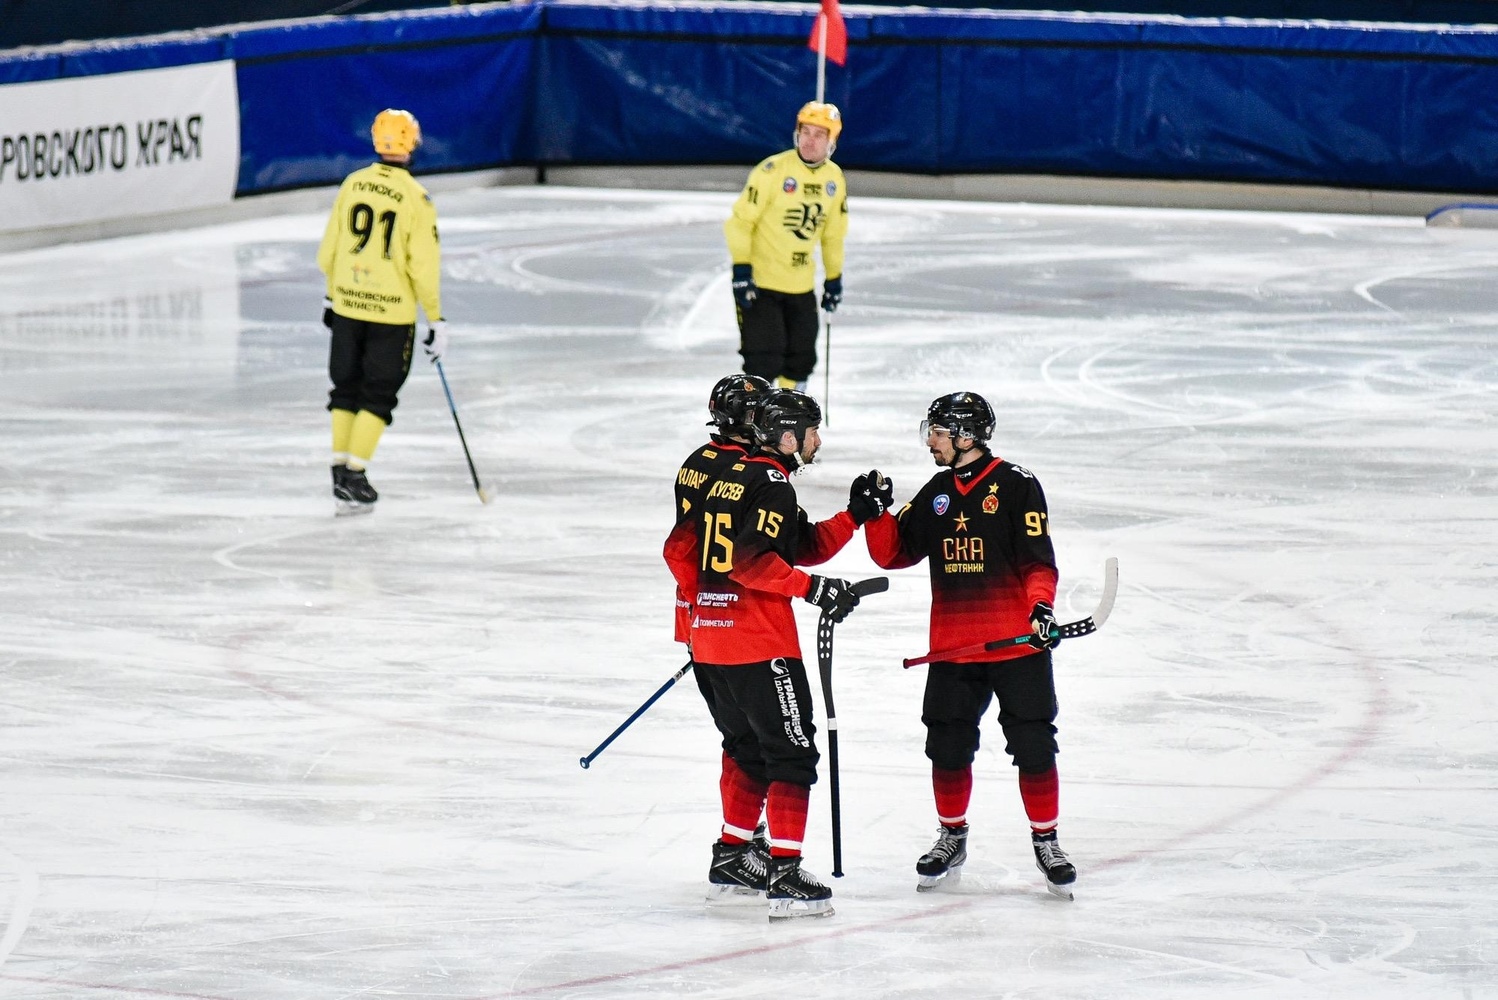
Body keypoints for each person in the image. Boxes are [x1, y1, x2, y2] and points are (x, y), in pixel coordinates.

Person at [663, 389, 883, 920]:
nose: (817, 440)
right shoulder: (773, 483)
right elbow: (751, 563)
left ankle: (731, 859)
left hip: (709, 639)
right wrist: (814, 589)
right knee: (790, 755)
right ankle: (785, 873)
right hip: (759, 644)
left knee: (747, 750)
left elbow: (684, 550)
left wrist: (854, 516)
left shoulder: (727, 475)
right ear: (788, 437)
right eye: (812, 431)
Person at [863, 391, 1077, 899]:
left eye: (937, 432)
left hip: (1017, 647)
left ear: (965, 435)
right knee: (947, 745)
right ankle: (951, 836)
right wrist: (875, 514)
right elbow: (894, 554)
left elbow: (1038, 560)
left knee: (1034, 746)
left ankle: (1046, 840)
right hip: (954, 649)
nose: (930, 441)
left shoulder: (1017, 485)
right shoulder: (937, 491)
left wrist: (1041, 607)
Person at [662, 374, 772, 902]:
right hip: (731, 615)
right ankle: (740, 844)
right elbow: (692, 552)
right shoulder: (743, 470)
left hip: (702, 615)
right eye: (759, 414)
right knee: (753, 741)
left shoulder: (697, 460)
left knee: (741, 738)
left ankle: (748, 836)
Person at [317, 108, 446, 515]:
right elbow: (423, 267)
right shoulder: (416, 198)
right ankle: (355, 475)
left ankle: (340, 471)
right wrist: (436, 318)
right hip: (391, 314)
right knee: (378, 393)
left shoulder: (353, 184)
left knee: (345, 388)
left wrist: (331, 296)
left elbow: (329, 250)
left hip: (348, 305)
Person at [723, 102, 849, 390]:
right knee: (763, 362)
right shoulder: (772, 171)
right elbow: (740, 223)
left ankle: (791, 415)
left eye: (819, 134)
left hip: (801, 287)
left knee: (800, 360)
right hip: (761, 286)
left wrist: (834, 278)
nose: (810, 140)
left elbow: (833, 234)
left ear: (832, 141)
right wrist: (741, 269)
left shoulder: (834, 178)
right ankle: (758, 416)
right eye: (806, 131)